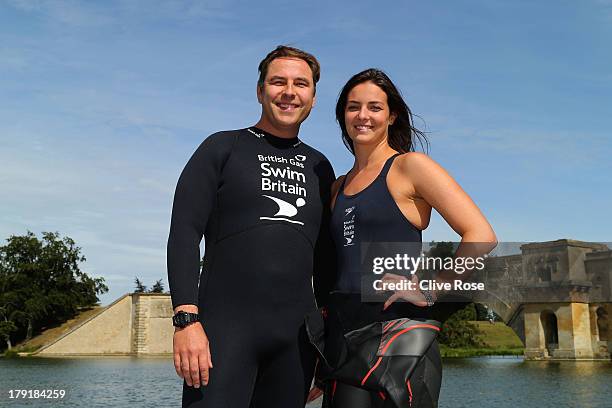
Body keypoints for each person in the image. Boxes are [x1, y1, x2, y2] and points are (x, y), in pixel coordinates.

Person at [309, 69, 497, 408]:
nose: (363, 116)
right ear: (343, 115)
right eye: (353, 107)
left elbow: (481, 234)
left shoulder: (411, 167)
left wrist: (434, 287)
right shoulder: (337, 187)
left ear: (391, 114)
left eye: (374, 107)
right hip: (344, 339)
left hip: (398, 339)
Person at [166, 45, 336, 408]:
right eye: (278, 82)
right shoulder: (221, 148)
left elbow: (325, 264)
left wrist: (328, 343)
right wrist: (185, 321)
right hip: (222, 336)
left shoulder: (320, 167)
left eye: (300, 84)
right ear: (260, 91)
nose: (289, 92)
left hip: (295, 343)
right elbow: (183, 233)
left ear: (313, 97)